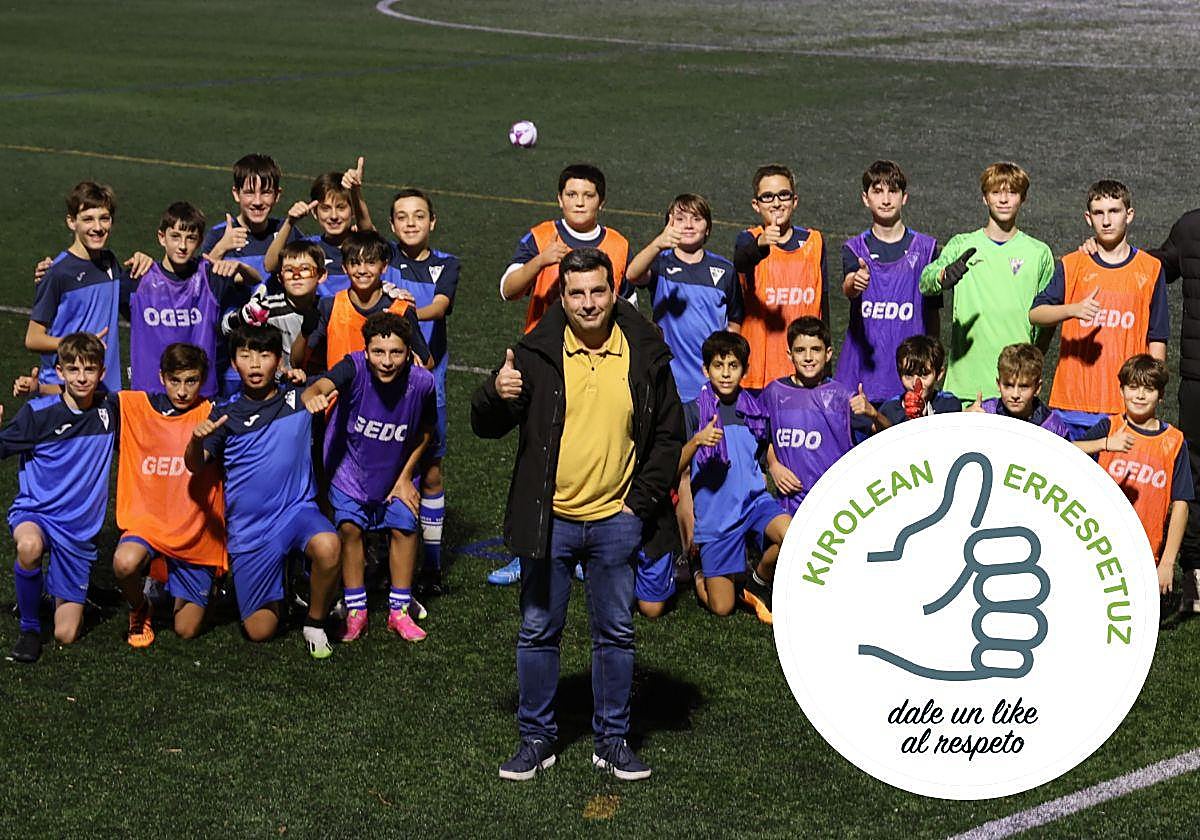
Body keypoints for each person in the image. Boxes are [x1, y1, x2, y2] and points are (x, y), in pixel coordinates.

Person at [472, 247, 682, 782]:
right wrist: (496, 394)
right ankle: (536, 739)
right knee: (539, 630)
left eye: (597, 291)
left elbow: (667, 437)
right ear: (561, 298)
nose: (588, 303)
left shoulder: (645, 351)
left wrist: (638, 508)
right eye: (576, 293)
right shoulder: (537, 353)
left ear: (614, 292)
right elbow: (486, 423)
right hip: (551, 521)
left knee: (615, 633)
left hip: (616, 519)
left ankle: (612, 741)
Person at [184, 324, 341, 658]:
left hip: (297, 512)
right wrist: (195, 442)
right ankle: (286, 582)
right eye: (245, 355)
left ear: (279, 362)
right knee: (259, 631)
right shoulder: (225, 414)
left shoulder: (300, 397)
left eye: (264, 355)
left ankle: (314, 621)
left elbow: (343, 373)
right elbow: (195, 466)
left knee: (328, 546)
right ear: (234, 364)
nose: (255, 364)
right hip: (251, 530)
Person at [302, 313, 436, 642]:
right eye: (378, 352)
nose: (387, 361)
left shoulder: (422, 383)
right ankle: (356, 610)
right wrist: (313, 397)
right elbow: (317, 387)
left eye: (396, 353)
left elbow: (426, 432)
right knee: (350, 529)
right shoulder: (354, 367)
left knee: (405, 526)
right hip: (351, 472)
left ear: (409, 353)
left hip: (395, 472)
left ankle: (399, 611)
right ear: (366, 351)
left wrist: (405, 477)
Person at [1, 333, 119, 663]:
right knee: (29, 547)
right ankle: (28, 629)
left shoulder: (110, 410)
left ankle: (57, 593)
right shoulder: (36, 414)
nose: (82, 377)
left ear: (102, 373)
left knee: (66, 634)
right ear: (60, 372)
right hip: (36, 513)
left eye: (90, 369)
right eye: (74, 369)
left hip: (78, 530)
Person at [1030, 179, 1168, 439]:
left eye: (1114, 211)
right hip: (1070, 405)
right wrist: (1072, 309)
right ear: (1088, 218)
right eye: (1098, 213)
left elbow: (1157, 337)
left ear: (1129, 215)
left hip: (1125, 408)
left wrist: (1153, 390)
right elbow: (1035, 314)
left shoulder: (1150, 269)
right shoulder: (1072, 264)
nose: (1106, 221)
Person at [111, 344, 226, 646]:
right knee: (124, 563)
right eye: (175, 380)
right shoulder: (134, 406)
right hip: (148, 524)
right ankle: (141, 607)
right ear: (162, 377)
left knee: (186, 630)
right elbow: (84, 398)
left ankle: (196, 583)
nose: (183, 390)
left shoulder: (213, 415)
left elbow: (201, 464)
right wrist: (38, 388)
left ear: (203, 380)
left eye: (191, 381)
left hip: (194, 535)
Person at [919, 162, 1054, 403]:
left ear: (1023, 198)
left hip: (1015, 387)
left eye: (1011, 192)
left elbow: (1047, 316)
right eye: (995, 192)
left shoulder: (1039, 253)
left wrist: (1033, 356)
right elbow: (925, 282)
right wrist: (943, 276)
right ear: (984, 198)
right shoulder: (962, 244)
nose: (1004, 200)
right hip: (964, 385)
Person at [677, 331, 789, 623]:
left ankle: (758, 580)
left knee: (793, 535)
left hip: (755, 504)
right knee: (722, 607)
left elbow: (765, 446)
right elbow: (673, 466)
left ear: (745, 370)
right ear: (705, 369)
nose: (726, 374)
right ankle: (700, 569)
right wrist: (697, 441)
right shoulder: (691, 411)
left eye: (733, 366)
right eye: (718, 366)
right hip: (717, 517)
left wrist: (773, 466)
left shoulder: (753, 407)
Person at [385, 189, 461, 596]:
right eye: (402, 216)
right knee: (385, 467)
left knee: (429, 472)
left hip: (429, 387)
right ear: (392, 225)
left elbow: (442, 306)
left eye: (419, 216)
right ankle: (388, 553)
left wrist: (406, 309)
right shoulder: (384, 259)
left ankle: (430, 562)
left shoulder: (447, 264)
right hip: (384, 386)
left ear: (433, 222)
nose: (411, 222)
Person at [1073, 355, 1192, 599]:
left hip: (1145, 553)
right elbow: (1064, 451)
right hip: (1097, 545)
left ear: (1160, 396)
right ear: (1121, 390)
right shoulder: (1109, 427)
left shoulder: (1174, 441)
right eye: (1133, 387)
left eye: (1148, 389)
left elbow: (1181, 504)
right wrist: (1105, 444)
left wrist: (1168, 563)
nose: (1139, 395)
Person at [835, 160, 941, 422]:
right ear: (865, 198)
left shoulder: (927, 250)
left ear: (904, 197)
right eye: (877, 191)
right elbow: (849, 286)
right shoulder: (853, 249)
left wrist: (935, 363)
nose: (885, 199)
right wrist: (854, 283)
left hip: (910, 377)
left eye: (892, 191)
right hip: (861, 379)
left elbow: (933, 315)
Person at [129, 201, 261, 398]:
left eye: (190, 239)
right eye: (175, 237)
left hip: (200, 395)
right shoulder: (140, 277)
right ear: (161, 237)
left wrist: (238, 266)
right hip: (149, 396)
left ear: (199, 242)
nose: (182, 246)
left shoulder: (208, 276)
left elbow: (255, 279)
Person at [625, 193, 742, 403]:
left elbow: (735, 320)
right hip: (671, 383)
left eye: (696, 219)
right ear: (668, 225)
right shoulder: (660, 263)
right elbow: (632, 274)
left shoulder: (724, 270)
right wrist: (658, 244)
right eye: (679, 219)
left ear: (708, 228)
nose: (688, 225)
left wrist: (726, 361)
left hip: (712, 383)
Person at [202, 153, 302, 397]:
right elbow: (200, 289)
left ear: (278, 194)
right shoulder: (219, 235)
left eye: (266, 193)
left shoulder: (288, 233)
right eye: (249, 192)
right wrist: (221, 249)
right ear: (236, 193)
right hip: (229, 367)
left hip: (276, 365)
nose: (257, 201)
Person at [499, 163, 631, 334]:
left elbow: (628, 306)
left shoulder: (619, 245)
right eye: (571, 195)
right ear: (560, 199)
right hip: (544, 349)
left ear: (601, 202)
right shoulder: (540, 237)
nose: (580, 203)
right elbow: (508, 291)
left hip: (599, 351)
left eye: (588, 196)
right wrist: (540, 261)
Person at [27, 182, 129, 394]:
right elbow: (33, 338)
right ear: (72, 222)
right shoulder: (57, 273)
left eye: (104, 218)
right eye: (88, 219)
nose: (98, 227)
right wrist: (80, 344)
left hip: (103, 390)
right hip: (63, 391)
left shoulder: (110, 262)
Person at [733, 164, 827, 391]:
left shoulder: (814, 241)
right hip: (758, 374)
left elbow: (823, 305)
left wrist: (826, 368)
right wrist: (761, 245)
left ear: (794, 200)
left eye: (783, 195)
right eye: (767, 197)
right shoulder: (748, 239)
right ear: (756, 205)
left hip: (806, 372)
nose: (776, 203)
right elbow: (741, 261)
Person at [761, 318, 859, 521]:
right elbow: (762, 437)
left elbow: (884, 436)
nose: (808, 357)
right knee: (781, 549)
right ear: (789, 354)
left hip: (833, 508)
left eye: (815, 349)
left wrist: (874, 414)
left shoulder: (841, 397)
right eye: (800, 350)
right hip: (788, 506)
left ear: (828, 354)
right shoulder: (774, 393)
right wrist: (773, 465)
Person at [301, 231, 431, 373]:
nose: (362, 270)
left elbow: (427, 362)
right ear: (345, 267)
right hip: (341, 394)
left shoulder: (401, 309)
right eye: (355, 263)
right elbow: (301, 359)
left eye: (370, 262)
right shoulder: (329, 307)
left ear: (384, 266)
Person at [263, 159, 373, 298]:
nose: (333, 216)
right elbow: (270, 266)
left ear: (352, 212)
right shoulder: (310, 247)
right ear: (315, 212)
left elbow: (369, 235)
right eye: (325, 208)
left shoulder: (363, 246)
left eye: (341, 207)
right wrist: (289, 222)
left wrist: (356, 192)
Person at [221, 240, 325, 373]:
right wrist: (241, 316)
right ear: (281, 279)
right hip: (276, 387)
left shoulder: (329, 309)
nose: (296, 275)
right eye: (289, 270)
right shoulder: (267, 309)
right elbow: (223, 328)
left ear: (321, 275)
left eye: (305, 269)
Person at [965, 343, 1071, 437]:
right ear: (998, 384)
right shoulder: (985, 413)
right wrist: (963, 419)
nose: (1015, 395)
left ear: (1037, 388)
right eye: (1008, 385)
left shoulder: (1052, 427)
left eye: (1024, 386)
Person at [874, 335, 962, 430]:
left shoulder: (949, 404)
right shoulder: (890, 409)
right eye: (908, 375)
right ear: (899, 374)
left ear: (939, 374)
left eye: (924, 374)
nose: (915, 383)